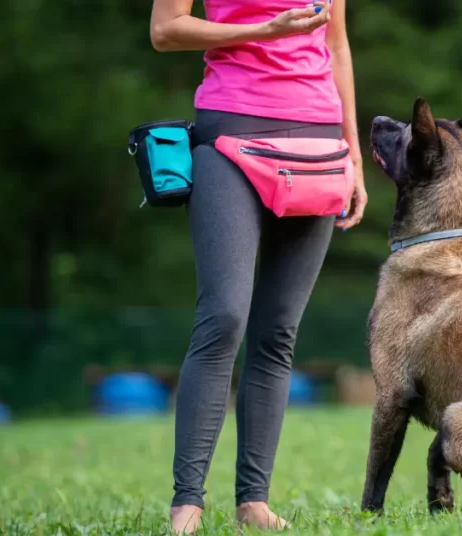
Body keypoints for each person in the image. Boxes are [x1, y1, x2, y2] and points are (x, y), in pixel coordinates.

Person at [148, 0, 366, 532]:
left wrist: (354, 155)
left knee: (278, 332)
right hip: (230, 133)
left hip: (318, 140)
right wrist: (265, 29)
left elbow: (336, 44)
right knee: (223, 317)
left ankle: (254, 501)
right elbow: (165, 30)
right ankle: (187, 503)